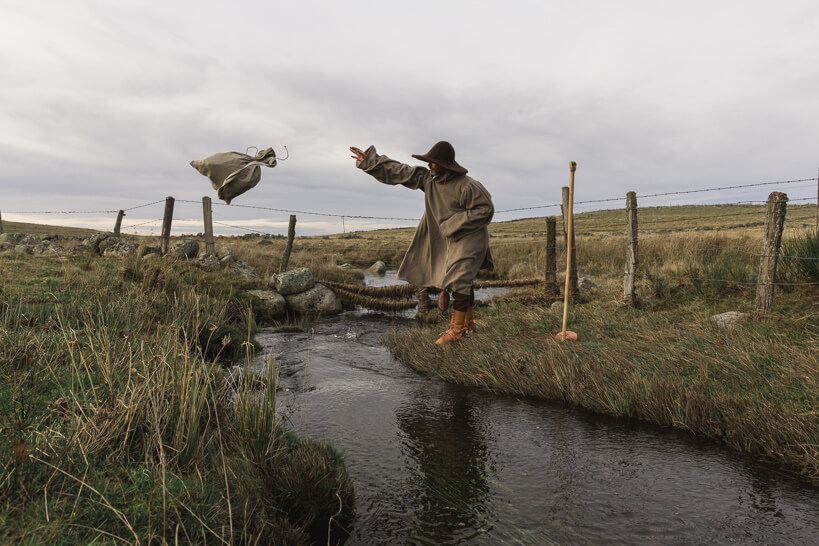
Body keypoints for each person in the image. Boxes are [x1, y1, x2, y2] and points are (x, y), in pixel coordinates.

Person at [350, 141, 494, 345]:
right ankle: (469, 323)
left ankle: (457, 330)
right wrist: (370, 161)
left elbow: (485, 210)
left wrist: (451, 224)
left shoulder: (468, 186)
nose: (429, 165)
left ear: (444, 164)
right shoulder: (428, 179)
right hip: (449, 238)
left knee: (460, 277)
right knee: (460, 279)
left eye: (433, 162)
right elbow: (401, 172)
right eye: (428, 161)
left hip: (471, 237)